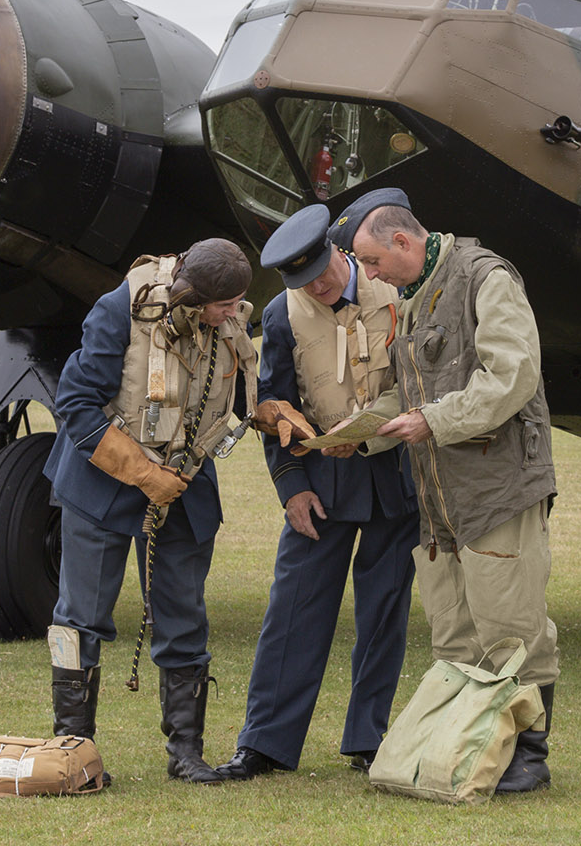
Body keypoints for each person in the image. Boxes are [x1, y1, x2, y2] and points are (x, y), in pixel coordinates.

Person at [346, 193, 560, 793]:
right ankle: (474, 749)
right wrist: (359, 435)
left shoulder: (485, 278)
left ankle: (529, 757)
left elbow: (512, 377)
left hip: (497, 489)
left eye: (370, 261)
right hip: (441, 497)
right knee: (455, 632)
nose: (369, 276)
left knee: (511, 627)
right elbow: (408, 393)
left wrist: (432, 422)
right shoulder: (415, 299)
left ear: (403, 244)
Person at [211, 202, 419, 781]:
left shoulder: (397, 294)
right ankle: (264, 745)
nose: (320, 287)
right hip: (319, 487)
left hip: (394, 480)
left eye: (324, 273)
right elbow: (272, 408)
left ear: (339, 251)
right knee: (293, 612)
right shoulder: (280, 315)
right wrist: (291, 489)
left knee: (385, 614)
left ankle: (368, 741)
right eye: (304, 282)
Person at [43, 238, 257, 785]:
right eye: (224, 306)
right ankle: (74, 750)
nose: (234, 315)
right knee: (81, 617)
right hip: (102, 481)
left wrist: (271, 409)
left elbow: (236, 390)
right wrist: (144, 474)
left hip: (185, 483)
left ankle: (186, 754)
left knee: (184, 617)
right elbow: (76, 402)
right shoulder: (120, 308)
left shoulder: (224, 318)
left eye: (237, 305)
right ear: (190, 296)